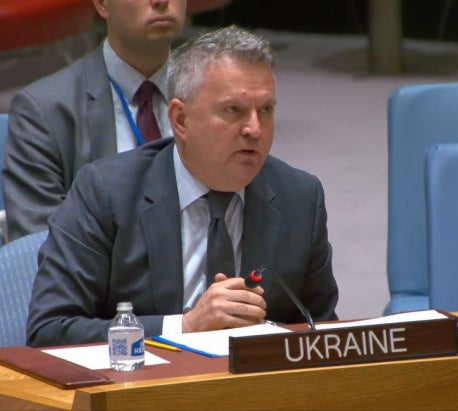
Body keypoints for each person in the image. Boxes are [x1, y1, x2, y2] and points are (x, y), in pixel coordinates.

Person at [26, 25, 339, 346]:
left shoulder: (299, 197)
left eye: (266, 110)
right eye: (234, 110)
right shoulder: (106, 192)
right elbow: (50, 331)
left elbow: (323, 333)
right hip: (146, 376)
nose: (254, 129)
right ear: (180, 119)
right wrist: (186, 326)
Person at [1, 0, 187, 242]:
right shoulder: (43, 110)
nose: (161, 1)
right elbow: (40, 244)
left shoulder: (218, 98)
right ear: (101, 4)